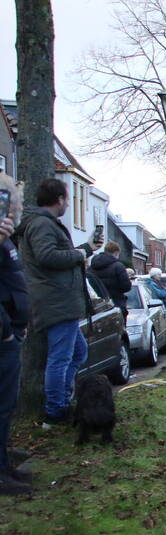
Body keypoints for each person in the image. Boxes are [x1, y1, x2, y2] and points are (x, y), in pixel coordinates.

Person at [17, 178, 101, 428]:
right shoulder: (42, 224)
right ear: (60, 199)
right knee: (61, 358)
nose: (68, 203)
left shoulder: (43, 224)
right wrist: (79, 254)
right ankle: (55, 412)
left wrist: (86, 248)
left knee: (78, 352)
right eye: (67, 198)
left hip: (60, 301)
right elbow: (47, 256)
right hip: (56, 302)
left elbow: (55, 254)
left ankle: (62, 401)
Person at [0, 175, 32, 494]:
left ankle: (4, 462)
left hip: (10, 331)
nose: (16, 209)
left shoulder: (7, 239)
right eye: (13, 202)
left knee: (6, 404)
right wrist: (5, 332)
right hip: (3, 336)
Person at [89, 241, 131, 318]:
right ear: (116, 253)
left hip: (98, 306)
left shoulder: (92, 267)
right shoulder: (118, 266)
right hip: (116, 303)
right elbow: (126, 286)